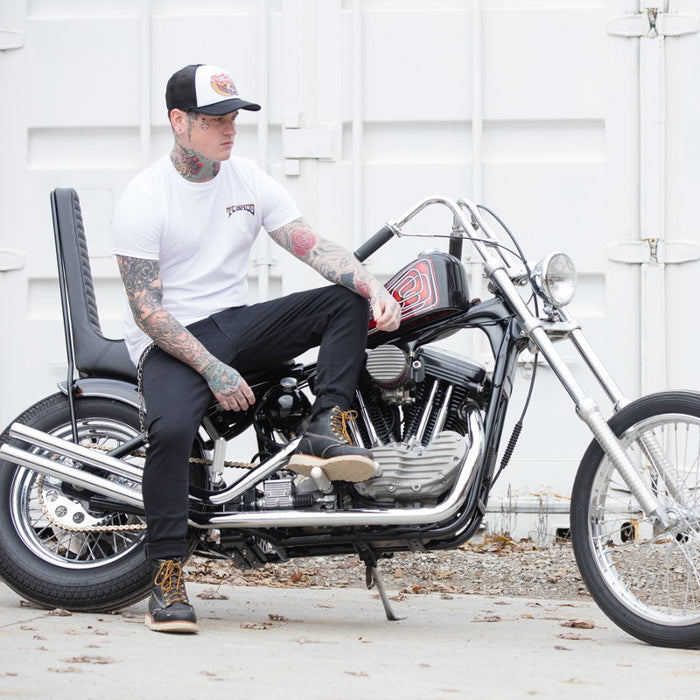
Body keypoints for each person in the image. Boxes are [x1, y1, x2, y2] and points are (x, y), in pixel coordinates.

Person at [112, 64, 401, 634]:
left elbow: (309, 244)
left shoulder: (247, 179)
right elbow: (148, 311)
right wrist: (213, 369)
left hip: (235, 326)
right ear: (179, 121)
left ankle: (325, 427)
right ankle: (167, 577)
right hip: (170, 343)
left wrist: (372, 285)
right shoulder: (144, 197)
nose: (230, 128)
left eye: (234, 117)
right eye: (216, 118)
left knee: (343, 299)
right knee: (170, 432)